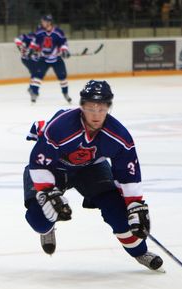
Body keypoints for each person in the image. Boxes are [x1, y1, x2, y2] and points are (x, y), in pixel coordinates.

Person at [23, 80, 163, 271]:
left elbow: (127, 173)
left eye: (102, 108)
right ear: (81, 107)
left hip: (91, 168)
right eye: (91, 108)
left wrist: (134, 205)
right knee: (40, 218)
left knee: (120, 214)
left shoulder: (119, 136)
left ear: (109, 107)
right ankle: (47, 228)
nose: (96, 115)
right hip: (53, 168)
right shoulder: (61, 127)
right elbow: (39, 163)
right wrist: (47, 192)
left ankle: (139, 252)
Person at [27, 15, 72, 103]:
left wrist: (64, 50)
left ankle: (65, 93)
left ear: (49, 22)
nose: (42, 23)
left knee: (62, 77)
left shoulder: (58, 32)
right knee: (37, 76)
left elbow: (63, 42)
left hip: (56, 58)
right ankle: (35, 93)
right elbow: (35, 42)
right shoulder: (40, 32)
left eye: (43, 21)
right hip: (44, 58)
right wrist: (31, 49)